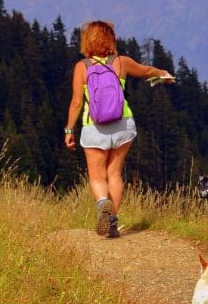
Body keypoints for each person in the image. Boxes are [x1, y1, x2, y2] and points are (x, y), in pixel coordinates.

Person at [64, 20, 174, 238]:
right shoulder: (121, 62)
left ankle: (103, 204)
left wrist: (69, 131)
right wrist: (164, 74)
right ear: (110, 40)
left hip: (94, 127)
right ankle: (112, 223)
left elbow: (77, 102)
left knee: (97, 176)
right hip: (123, 124)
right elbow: (147, 71)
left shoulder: (82, 67)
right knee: (114, 173)